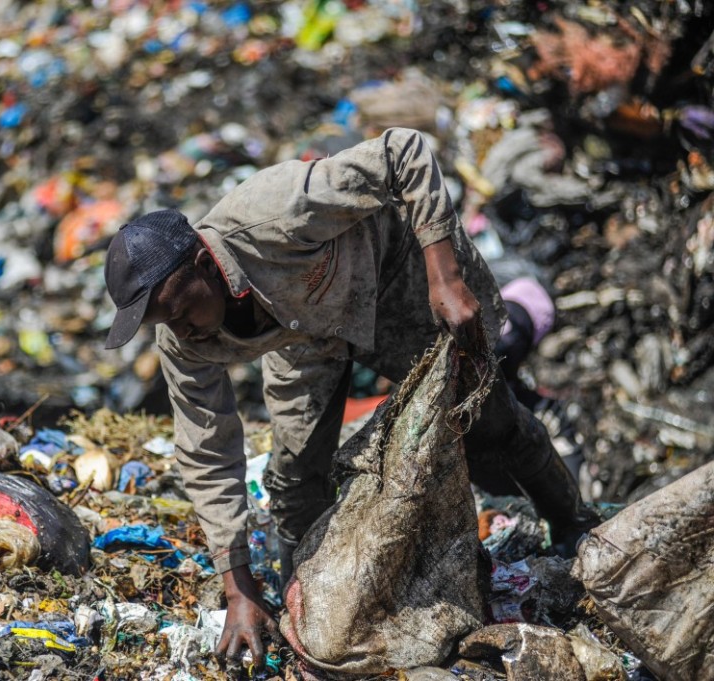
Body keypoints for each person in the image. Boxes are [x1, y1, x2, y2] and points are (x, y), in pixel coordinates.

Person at [103, 128, 599, 664]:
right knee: (295, 484)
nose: (180, 330)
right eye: (163, 321)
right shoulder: (183, 338)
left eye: (178, 311)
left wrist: (445, 276)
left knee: (488, 419)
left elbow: (403, 152)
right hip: (305, 340)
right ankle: (310, 622)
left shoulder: (276, 210)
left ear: (205, 266)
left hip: (390, 280)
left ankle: (573, 524)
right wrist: (239, 591)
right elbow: (206, 452)